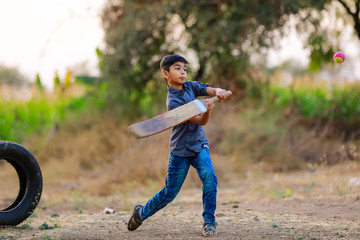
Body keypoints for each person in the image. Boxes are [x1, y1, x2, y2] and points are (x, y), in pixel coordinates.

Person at [127, 54, 230, 237]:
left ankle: (209, 222)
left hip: (199, 146)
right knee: (169, 193)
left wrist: (219, 91)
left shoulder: (191, 86)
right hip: (180, 151)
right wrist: (206, 111)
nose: (183, 72)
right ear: (165, 74)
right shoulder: (173, 102)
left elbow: (209, 89)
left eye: (184, 68)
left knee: (210, 178)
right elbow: (200, 121)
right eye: (177, 68)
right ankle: (141, 213)